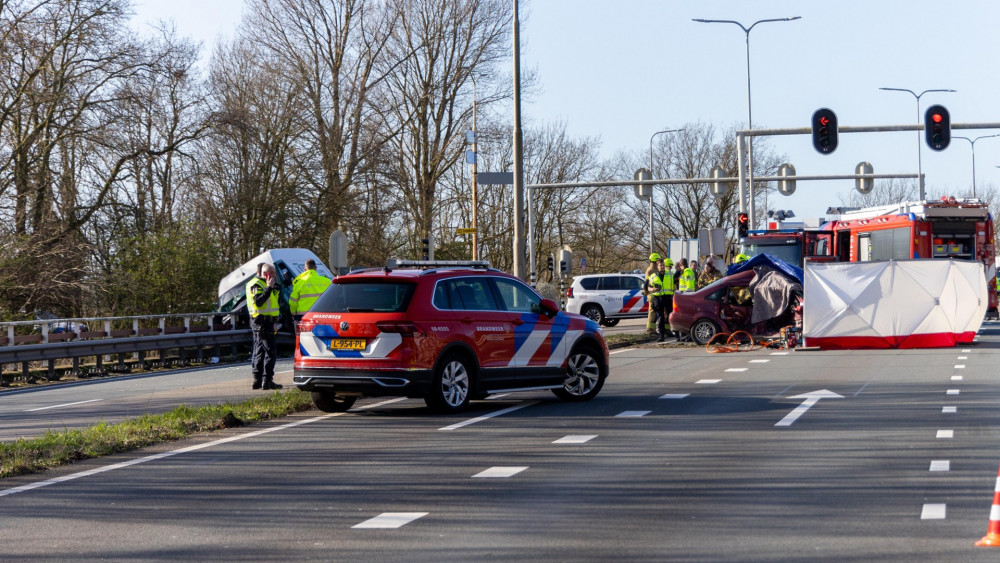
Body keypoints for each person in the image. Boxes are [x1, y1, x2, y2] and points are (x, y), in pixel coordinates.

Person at [246, 263, 282, 390]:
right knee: (270, 352)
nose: (274, 276)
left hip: (267, 322)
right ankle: (266, 380)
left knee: (260, 351)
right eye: (272, 273)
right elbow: (259, 302)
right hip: (261, 322)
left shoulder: (268, 285)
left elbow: (273, 306)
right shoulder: (257, 284)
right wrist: (269, 288)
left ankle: (258, 380)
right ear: (266, 273)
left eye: (275, 274)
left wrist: (274, 322)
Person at [647, 258, 675, 342]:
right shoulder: (653, 276)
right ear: (657, 266)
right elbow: (648, 288)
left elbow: (675, 286)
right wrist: (654, 290)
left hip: (667, 297)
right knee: (660, 317)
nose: (662, 267)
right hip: (658, 298)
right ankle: (661, 335)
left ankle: (676, 333)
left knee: (671, 315)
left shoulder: (670, 275)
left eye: (663, 265)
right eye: (660, 265)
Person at [644, 253, 660, 334]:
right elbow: (646, 283)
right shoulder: (650, 270)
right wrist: (647, 293)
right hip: (651, 293)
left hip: (655, 293)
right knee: (652, 312)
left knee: (655, 312)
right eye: (657, 260)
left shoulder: (654, 269)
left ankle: (652, 329)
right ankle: (650, 330)